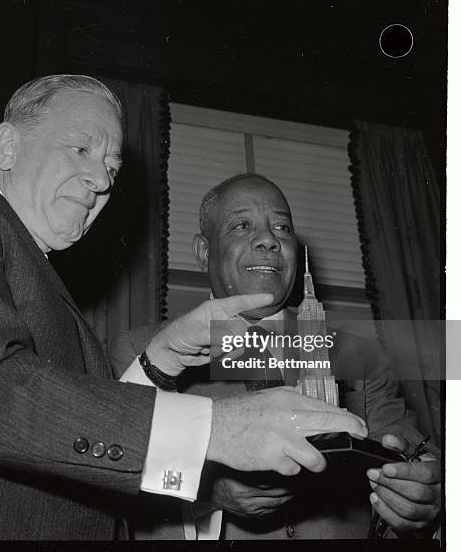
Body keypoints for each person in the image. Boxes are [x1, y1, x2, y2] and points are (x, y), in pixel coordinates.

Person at [0, 77, 367, 541]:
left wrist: (160, 360)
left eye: (111, 167)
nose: (100, 182)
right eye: (81, 149)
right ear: (8, 145)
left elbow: (78, 440)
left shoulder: (51, 286)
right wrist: (215, 426)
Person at [111, 173, 442, 540]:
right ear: (204, 252)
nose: (269, 239)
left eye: (282, 227)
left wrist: (425, 490)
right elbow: (111, 483)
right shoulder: (141, 352)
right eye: (241, 225)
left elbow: (408, 446)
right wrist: (206, 491)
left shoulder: (358, 353)